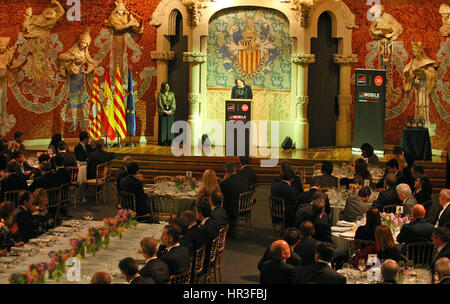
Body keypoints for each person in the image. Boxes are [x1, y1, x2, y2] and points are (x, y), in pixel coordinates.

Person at [219, 162, 249, 233]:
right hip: (245, 205)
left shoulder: (225, 183)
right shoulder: (244, 178)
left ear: (226, 171)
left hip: (233, 208)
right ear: (235, 169)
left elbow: (221, 195)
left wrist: (224, 179)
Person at [157, 82, 176, 146]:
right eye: (166, 86)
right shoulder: (160, 94)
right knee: (163, 127)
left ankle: (170, 141)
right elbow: (159, 104)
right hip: (163, 112)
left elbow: (173, 102)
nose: (167, 87)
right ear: (163, 87)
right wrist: (164, 111)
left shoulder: (172, 94)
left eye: (168, 86)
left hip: (170, 112)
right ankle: (162, 141)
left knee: (170, 127)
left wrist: (171, 110)